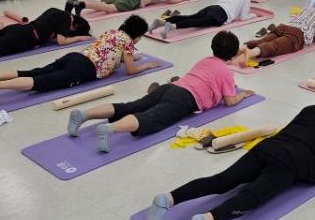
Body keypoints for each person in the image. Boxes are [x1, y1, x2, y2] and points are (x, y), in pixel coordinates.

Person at [146, 89, 315, 220]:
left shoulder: (310, 109)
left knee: (221, 181)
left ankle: (167, 199)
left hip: (267, 148)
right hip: (290, 163)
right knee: (252, 196)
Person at [67, 30, 255, 152]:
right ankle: (109, 129)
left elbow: (232, 52)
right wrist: (243, 94)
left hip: (170, 87)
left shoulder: (205, 60)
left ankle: (83, 114)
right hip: (185, 99)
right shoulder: (226, 72)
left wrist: (240, 52)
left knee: (131, 106)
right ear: (232, 54)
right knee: (150, 118)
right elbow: (229, 101)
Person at [0, 15, 159, 105]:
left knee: (35, 72)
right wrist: (147, 65)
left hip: (75, 57)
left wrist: (131, 57)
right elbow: (130, 70)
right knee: (42, 81)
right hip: (85, 69)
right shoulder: (128, 42)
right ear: (138, 35)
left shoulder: (112, 32)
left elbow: (111, 53)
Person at [148, 0, 258, 39]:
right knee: (197, 22)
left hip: (212, 7)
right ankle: (172, 26)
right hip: (222, 14)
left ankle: (162, 22)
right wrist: (254, 15)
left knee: (190, 17)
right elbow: (243, 17)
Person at [237, 5, 315, 67]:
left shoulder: (307, 8)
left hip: (284, 27)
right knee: (274, 46)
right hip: (297, 33)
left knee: (261, 41)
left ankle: (237, 51)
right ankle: (250, 53)